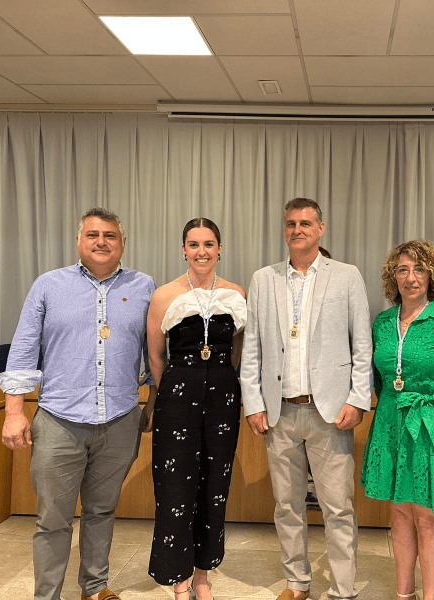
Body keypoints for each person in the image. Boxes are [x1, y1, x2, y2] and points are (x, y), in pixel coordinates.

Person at [0, 207, 155, 600]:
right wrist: (14, 412)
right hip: (58, 422)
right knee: (52, 519)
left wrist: (153, 400)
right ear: (79, 241)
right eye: (93, 235)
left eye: (110, 236)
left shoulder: (143, 287)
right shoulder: (48, 286)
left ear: (123, 243)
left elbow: (155, 353)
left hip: (120, 420)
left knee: (102, 511)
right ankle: (47, 595)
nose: (101, 242)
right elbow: (23, 350)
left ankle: (94, 588)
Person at [240, 198, 372, 600]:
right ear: (285, 229)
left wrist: (358, 399)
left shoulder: (346, 276)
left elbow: (362, 344)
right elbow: (251, 348)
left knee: (338, 508)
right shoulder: (264, 279)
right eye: (291, 223)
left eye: (306, 223)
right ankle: (296, 582)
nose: (297, 229)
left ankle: (343, 588)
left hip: (330, 412)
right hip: (279, 411)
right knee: (287, 506)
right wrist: (254, 403)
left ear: (320, 229)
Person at [361, 240, 434, 600]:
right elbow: (380, 382)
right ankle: (404, 594)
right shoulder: (382, 323)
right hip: (392, 425)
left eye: (419, 269)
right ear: (393, 277)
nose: (411, 277)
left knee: (427, 517)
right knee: (399, 512)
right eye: (403, 269)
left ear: (432, 276)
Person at [144, 218, 246, 600]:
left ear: (220, 249)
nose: (201, 251)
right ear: (183, 250)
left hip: (222, 397)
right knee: (175, 488)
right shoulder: (164, 295)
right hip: (177, 398)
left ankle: (202, 576)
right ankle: (179, 578)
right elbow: (155, 356)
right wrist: (175, 389)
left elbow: (237, 351)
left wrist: (218, 382)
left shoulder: (236, 293)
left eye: (208, 244)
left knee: (214, 487)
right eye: (193, 244)